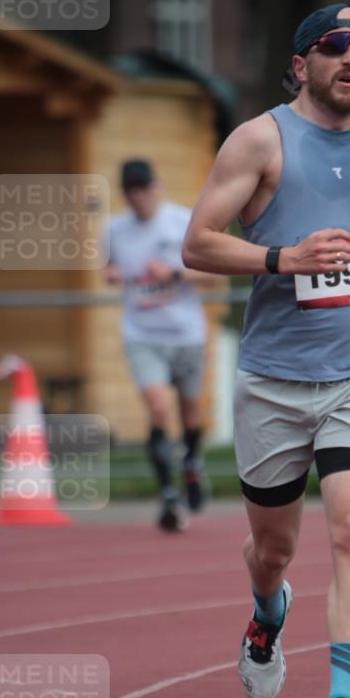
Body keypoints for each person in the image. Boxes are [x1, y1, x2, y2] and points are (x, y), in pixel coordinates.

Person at [183, 4, 350, 698]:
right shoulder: (259, 141)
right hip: (273, 379)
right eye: (333, 47)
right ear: (300, 64)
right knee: (273, 551)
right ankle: (266, 614)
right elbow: (196, 242)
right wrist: (280, 260)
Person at [105, 159, 219, 531]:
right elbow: (110, 269)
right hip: (143, 334)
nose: (138, 197)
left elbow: (213, 277)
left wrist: (172, 273)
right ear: (124, 194)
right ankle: (168, 494)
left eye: (143, 188)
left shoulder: (181, 222)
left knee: (191, 416)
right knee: (156, 408)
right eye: (130, 191)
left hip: (185, 334)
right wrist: (112, 274)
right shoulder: (115, 230)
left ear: (157, 186)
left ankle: (190, 464)